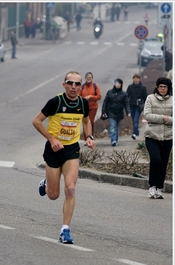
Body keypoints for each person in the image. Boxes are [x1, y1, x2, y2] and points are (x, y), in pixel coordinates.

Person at [32, 71, 96, 244]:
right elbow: (36, 121)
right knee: (53, 195)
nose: (74, 87)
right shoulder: (56, 102)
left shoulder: (83, 103)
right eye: (70, 83)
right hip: (53, 150)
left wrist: (89, 137)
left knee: (71, 189)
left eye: (77, 84)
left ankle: (65, 230)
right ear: (64, 85)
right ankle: (46, 182)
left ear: (81, 86)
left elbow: (86, 121)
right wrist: (51, 139)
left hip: (71, 150)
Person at [143, 77, 173, 199]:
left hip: (167, 137)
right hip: (152, 135)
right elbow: (147, 115)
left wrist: (168, 119)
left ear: (168, 88)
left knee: (163, 163)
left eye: (165, 87)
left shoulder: (172, 100)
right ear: (157, 87)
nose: (162, 89)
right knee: (156, 160)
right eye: (160, 86)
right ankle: (152, 186)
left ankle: (159, 188)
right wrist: (163, 118)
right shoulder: (150, 98)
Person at [101, 78, 131, 146]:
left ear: (121, 85)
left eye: (119, 84)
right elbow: (105, 102)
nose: (117, 85)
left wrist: (128, 112)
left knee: (116, 127)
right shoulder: (110, 92)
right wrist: (103, 112)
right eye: (116, 83)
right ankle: (113, 140)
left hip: (119, 112)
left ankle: (116, 140)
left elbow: (126, 103)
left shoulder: (124, 94)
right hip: (111, 112)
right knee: (113, 126)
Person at [79, 72, 101, 139]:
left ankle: (90, 136)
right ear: (85, 78)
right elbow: (78, 96)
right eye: (87, 77)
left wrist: (90, 97)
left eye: (90, 77)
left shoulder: (95, 86)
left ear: (92, 78)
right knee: (84, 122)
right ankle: (86, 138)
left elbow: (99, 96)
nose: (89, 79)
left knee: (90, 121)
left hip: (93, 107)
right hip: (84, 107)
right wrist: (84, 99)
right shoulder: (82, 86)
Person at [126, 73, 148, 140]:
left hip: (139, 106)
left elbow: (145, 98)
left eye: (137, 78)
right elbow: (127, 96)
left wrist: (145, 107)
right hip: (132, 105)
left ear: (139, 79)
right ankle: (136, 132)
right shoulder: (130, 87)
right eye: (134, 78)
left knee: (136, 119)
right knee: (133, 120)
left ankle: (135, 134)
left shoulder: (143, 88)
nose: (136, 80)